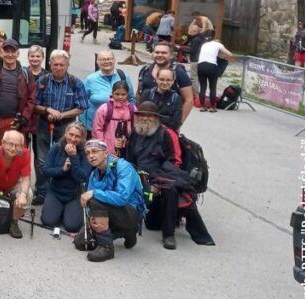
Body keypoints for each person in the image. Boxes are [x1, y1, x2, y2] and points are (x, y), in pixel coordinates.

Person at [124, 102, 214, 249]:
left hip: (164, 176)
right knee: (152, 225)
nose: (145, 118)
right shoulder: (134, 133)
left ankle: (169, 235)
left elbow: (174, 162)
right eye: (142, 115)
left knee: (170, 190)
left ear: (156, 118)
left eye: (149, 116)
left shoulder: (166, 134)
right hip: (142, 177)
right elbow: (130, 159)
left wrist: (158, 184)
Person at [32, 50, 88, 205]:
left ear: (68, 65)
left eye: (62, 65)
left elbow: (82, 106)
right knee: (43, 160)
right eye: (55, 64)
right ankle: (42, 191)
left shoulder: (75, 82)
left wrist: (62, 115)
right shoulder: (42, 82)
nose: (58, 68)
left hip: (67, 127)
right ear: (49, 65)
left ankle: (64, 190)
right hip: (44, 124)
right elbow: (34, 104)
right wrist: (48, 110)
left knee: (66, 157)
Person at [78, 139, 146, 262]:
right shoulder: (95, 174)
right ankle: (125, 232)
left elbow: (122, 198)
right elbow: (90, 205)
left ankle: (106, 247)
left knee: (95, 199)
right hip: (110, 211)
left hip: (130, 212)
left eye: (95, 151)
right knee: (80, 242)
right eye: (87, 153)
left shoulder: (123, 167)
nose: (91, 156)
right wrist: (91, 220)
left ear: (105, 153)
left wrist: (94, 192)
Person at [41, 123, 91, 233]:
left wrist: (73, 157)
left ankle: (66, 211)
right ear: (65, 134)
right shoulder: (56, 147)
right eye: (71, 134)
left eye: (77, 136)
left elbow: (82, 177)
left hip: (74, 194)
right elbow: (46, 170)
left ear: (82, 138)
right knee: (48, 221)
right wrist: (62, 169)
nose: (73, 139)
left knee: (72, 227)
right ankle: (58, 210)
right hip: (55, 192)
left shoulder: (85, 152)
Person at [0, 39, 34, 146]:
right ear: (1, 53)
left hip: (16, 123)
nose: (10, 54)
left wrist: (23, 118)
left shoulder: (26, 73)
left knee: (17, 156)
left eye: (13, 51)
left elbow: (31, 99)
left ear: (18, 53)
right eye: (6, 51)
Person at [136, 42, 194, 124]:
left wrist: (178, 123)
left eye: (164, 53)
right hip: (145, 121)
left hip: (167, 123)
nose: (160, 55)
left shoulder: (179, 72)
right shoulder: (145, 70)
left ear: (171, 55)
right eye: (157, 52)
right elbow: (138, 94)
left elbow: (189, 99)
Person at [79, 50, 127, 129]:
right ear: (97, 62)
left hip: (118, 127)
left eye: (109, 59)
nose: (106, 61)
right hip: (94, 126)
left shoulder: (123, 77)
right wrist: (83, 126)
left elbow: (131, 99)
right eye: (103, 59)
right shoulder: (90, 80)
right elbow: (81, 103)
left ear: (114, 60)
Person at [91, 80, 136, 156]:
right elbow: (97, 129)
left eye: (123, 94)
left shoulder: (133, 109)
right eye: (117, 94)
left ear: (127, 94)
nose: (120, 97)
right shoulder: (104, 109)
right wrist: (102, 146)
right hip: (107, 148)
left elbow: (135, 128)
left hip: (127, 148)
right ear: (112, 93)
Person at [197, 33, 235, 112]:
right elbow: (230, 54)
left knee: (203, 87)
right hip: (211, 66)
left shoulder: (204, 45)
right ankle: (212, 107)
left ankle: (203, 106)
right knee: (212, 87)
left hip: (200, 66)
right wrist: (226, 58)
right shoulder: (218, 44)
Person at [141, 68, 184, 132]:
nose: (165, 82)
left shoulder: (176, 98)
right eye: (162, 79)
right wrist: (167, 118)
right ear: (156, 79)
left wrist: (153, 116)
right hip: (147, 132)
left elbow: (175, 124)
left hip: (166, 135)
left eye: (168, 80)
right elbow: (141, 117)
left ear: (173, 82)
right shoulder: (147, 94)